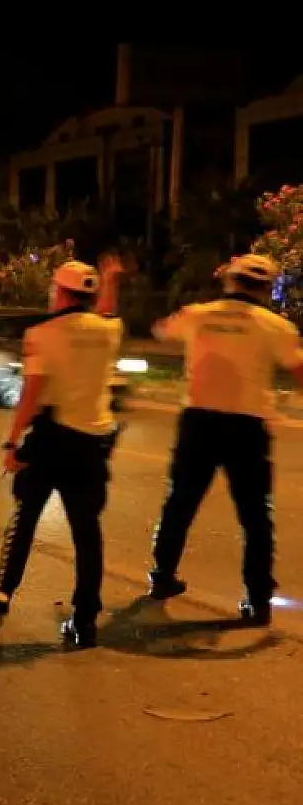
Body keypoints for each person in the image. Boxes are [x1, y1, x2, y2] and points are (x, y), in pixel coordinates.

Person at [147, 254, 303, 626]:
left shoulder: (199, 315)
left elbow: (160, 330)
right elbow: (299, 368)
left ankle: (163, 576)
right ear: (266, 288)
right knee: (255, 516)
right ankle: (258, 599)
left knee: (180, 503)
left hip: (198, 422)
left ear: (230, 280)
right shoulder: (274, 326)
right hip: (247, 428)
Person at [0, 255, 124, 649]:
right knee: (87, 533)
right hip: (92, 445)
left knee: (25, 516)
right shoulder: (109, 331)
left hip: (50, 440)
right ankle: (85, 618)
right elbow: (105, 313)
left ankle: (2, 591)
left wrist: (12, 442)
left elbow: (31, 394)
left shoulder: (41, 334)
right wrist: (111, 280)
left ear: (59, 292)